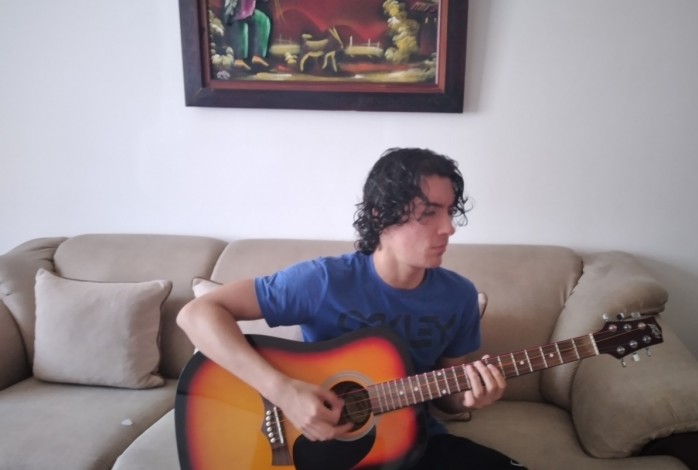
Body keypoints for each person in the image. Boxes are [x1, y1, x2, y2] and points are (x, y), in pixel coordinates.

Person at [177, 147, 526, 469]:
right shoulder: (324, 281)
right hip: (321, 449)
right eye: (429, 213)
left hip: (412, 444)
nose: (448, 228)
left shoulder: (459, 296)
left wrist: (468, 396)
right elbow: (195, 314)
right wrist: (282, 392)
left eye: (449, 212)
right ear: (381, 216)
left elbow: (447, 396)